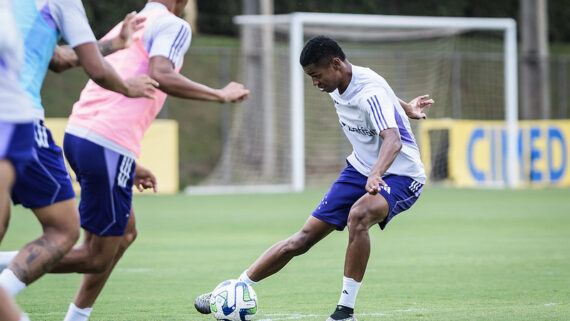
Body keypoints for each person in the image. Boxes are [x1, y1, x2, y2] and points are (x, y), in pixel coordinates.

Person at [6, 1, 248, 320]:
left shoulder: (129, 24)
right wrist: (220, 94)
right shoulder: (174, 25)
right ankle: (6, 282)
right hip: (103, 141)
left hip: (82, 134)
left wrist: (128, 163)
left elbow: (70, 61)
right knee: (92, 255)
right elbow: (161, 74)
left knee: (126, 233)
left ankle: (77, 316)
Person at [194, 35, 433, 321]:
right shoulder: (341, 82)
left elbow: (392, 140)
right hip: (361, 168)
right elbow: (387, 94)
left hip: (401, 174)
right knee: (302, 239)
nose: (315, 83)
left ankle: (345, 312)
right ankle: (233, 290)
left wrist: (376, 173)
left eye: (316, 76)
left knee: (358, 216)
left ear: (336, 64)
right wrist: (406, 108)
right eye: (310, 77)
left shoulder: (368, 90)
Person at [0, 0, 159, 306]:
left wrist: (115, 43)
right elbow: (95, 69)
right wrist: (127, 87)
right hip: (16, 120)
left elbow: (58, 58)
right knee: (63, 231)